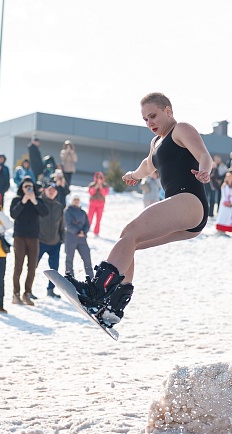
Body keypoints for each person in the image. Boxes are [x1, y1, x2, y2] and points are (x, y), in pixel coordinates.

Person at [66, 92, 212, 326]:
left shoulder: (181, 129)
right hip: (185, 216)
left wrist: (204, 170)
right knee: (128, 242)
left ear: (168, 111)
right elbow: (148, 164)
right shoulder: (156, 143)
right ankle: (114, 307)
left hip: (190, 200)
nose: (149, 123)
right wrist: (134, 175)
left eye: (153, 116)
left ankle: (95, 291)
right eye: (145, 119)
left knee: (130, 232)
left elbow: (203, 154)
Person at [9, 176, 48, 305]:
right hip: (19, 236)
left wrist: (35, 201)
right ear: (22, 188)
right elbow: (13, 214)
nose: (28, 189)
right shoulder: (17, 199)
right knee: (18, 266)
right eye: (26, 186)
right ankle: (16, 294)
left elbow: (45, 213)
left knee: (32, 267)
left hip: (34, 236)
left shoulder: (38, 200)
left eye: (30, 186)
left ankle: (27, 294)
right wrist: (23, 201)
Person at [37, 183, 65, 299]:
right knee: (32, 266)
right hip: (40, 241)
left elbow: (62, 224)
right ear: (44, 190)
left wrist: (62, 239)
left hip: (55, 243)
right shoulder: (39, 203)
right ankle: (27, 291)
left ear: (57, 192)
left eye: (54, 190)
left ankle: (51, 290)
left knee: (54, 269)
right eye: (49, 189)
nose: (52, 191)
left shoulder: (59, 207)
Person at [64, 194, 94, 279]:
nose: (76, 201)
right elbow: (68, 224)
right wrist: (77, 231)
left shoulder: (82, 212)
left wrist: (83, 231)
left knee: (87, 258)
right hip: (71, 238)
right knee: (69, 259)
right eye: (75, 200)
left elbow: (87, 224)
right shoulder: (68, 211)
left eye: (78, 200)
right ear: (72, 201)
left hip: (82, 238)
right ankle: (70, 278)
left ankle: (91, 278)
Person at [87, 171, 109, 236]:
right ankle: (86, 229)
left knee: (98, 219)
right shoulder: (92, 185)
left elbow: (105, 193)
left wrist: (101, 188)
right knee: (89, 218)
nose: (99, 179)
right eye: (97, 177)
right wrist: (95, 187)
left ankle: (96, 232)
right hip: (92, 204)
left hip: (100, 204)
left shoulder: (105, 186)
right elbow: (91, 192)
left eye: (100, 178)